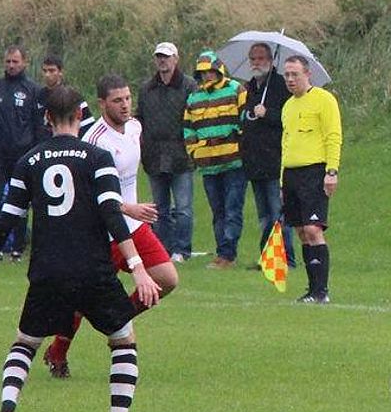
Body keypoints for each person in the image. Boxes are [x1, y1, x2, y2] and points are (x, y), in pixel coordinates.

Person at [0, 85, 161, 412]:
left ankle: (7, 411)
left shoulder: (28, 161)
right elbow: (112, 216)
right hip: (93, 270)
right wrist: (138, 269)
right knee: (123, 341)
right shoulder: (98, 157)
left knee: (25, 343)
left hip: (47, 270)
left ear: (47, 119)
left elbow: (5, 221)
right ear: (81, 116)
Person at [41, 74, 179, 379]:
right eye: (117, 100)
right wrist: (128, 206)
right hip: (100, 233)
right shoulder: (93, 141)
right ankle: (58, 352)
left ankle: (117, 322)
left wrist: (131, 207)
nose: (125, 105)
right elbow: (87, 196)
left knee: (167, 280)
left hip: (133, 226)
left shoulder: (135, 128)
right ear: (102, 103)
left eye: (128, 98)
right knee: (78, 301)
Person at [280, 55, 342, 303]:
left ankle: (321, 291)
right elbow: (285, 145)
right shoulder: (287, 106)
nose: (290, 79)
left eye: (295, 74)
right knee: (300, 232)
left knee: (313, 229)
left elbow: (333, 135)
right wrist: (282, 182)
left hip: (314, 172)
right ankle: (312, 288)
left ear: (308, 75)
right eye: (287, 75)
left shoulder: (324, 100)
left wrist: (331, 171)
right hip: (291, 173)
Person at [0, 44, 45, 262]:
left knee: (21, 201)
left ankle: (18, 247)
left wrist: (35, 152)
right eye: (8, 61)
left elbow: (39, 125)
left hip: (22, 156)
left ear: (25, 62)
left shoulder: (33, 90)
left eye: (16, 61)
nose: (11, 65)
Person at [184, 50, 247, 269]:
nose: (206, 76)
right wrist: (194, 152)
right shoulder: (194, 98)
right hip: (208, 166)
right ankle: (222, 252)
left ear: (218, 70)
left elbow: (246, 121)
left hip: (234, 163)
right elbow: (187, 129)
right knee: (218, 212)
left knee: (232, 209)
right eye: (202, 73)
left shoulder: (236, 89)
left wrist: (240, 144)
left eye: (210, 72)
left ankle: (228, 254)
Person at [137, 42, 197, 263]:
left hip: (180, 153)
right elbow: (140, 119)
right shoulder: (146, 88)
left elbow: (195, 117)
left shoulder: (189, 86)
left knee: (183, 208)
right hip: (154, 154)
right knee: (160, 208)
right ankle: (163, 248)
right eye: (159, 57)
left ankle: (182, 250)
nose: (162, 60)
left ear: (176, 59)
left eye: (166, 57)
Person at [241, 43, 296, 269]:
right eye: (252, 59)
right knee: (264, 216)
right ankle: (268, 257)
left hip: (275, 160)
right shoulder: (251, 87)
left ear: (271, 60)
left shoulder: (281, 86)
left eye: (260, 58)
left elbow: (288, 119)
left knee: (278, 213)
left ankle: (287, 258)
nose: (256, 63)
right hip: (255, 162)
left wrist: (268, 114)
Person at [38, 54, 95, 138]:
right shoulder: (39, 96)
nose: (47, 75)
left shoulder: (72, 97)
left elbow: (88, 127)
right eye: (44, 71)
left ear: (60, 72)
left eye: (51, 71)